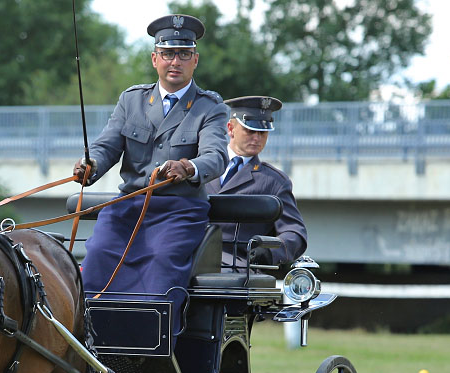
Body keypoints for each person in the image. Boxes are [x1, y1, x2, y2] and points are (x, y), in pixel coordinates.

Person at [74, 13, 229, 333]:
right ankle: (85, 345)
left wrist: (188, 167)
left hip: (180, 211)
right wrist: (90, 166)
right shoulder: (130, 100)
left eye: (184, 54)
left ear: (195, 61)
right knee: (98, 255)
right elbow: (106, 147)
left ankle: (149, 352)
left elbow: (216, 156)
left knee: (161, 265)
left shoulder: (210, 107)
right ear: (155, 58)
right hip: (128, 206)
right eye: (168, 53)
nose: (176, 61)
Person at [205, 96, 307, 271]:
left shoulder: (274, 182)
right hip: (188, 257)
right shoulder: (201, 166)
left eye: (262, 132)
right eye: (250, 131)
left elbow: (295, 233)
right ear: (231, 129)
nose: (257, 138)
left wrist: (269, 252)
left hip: (239, 267)